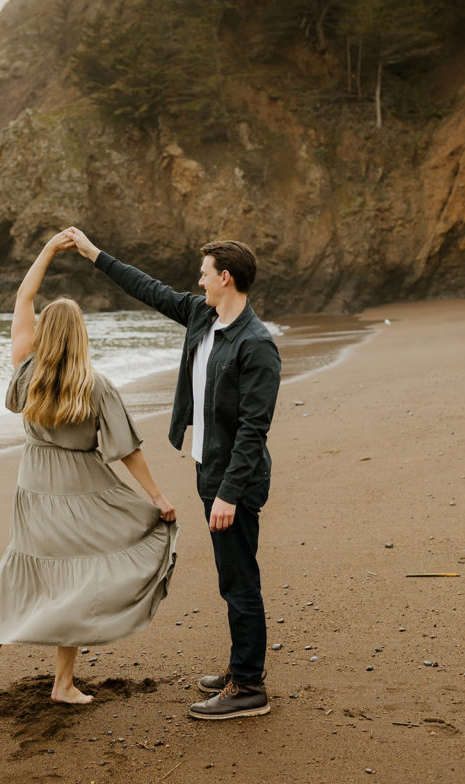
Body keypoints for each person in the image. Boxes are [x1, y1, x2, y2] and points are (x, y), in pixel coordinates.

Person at [67, 228, 280, 720]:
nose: (197, 281)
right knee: (233, 575)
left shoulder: (257, 344)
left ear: (225, 278)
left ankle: (248, 688)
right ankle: (240, 668)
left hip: (235, 481)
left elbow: (254, 429)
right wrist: (94, 254)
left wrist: (228, 494)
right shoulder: (203, 318)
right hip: (210, 470)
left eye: (204, 274)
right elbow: (149, 288)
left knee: (239, 580)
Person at [0, 232, 178, 704]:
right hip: (81, 488)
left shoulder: (27, 369)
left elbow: (23, 296)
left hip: (33, 485)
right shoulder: (95, 385)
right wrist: (157, 498)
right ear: (80, 334)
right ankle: (62, 684)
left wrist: (47, 252)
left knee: (21, 566)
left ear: (44, 331)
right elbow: (126, 451)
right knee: (79, 578)